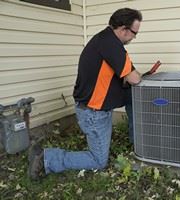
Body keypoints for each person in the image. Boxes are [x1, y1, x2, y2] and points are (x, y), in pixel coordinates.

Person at [28, 8, 142, 180]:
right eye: (134, 33)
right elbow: (134, 78)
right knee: (98, 160)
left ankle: (138, 141)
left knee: (133, 97)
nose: (134, 37)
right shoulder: (112, 44)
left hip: (92, 107)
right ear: (124, 29)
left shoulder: (103, 39)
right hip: (93, 113)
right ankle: (46, 158)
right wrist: (139, 76)